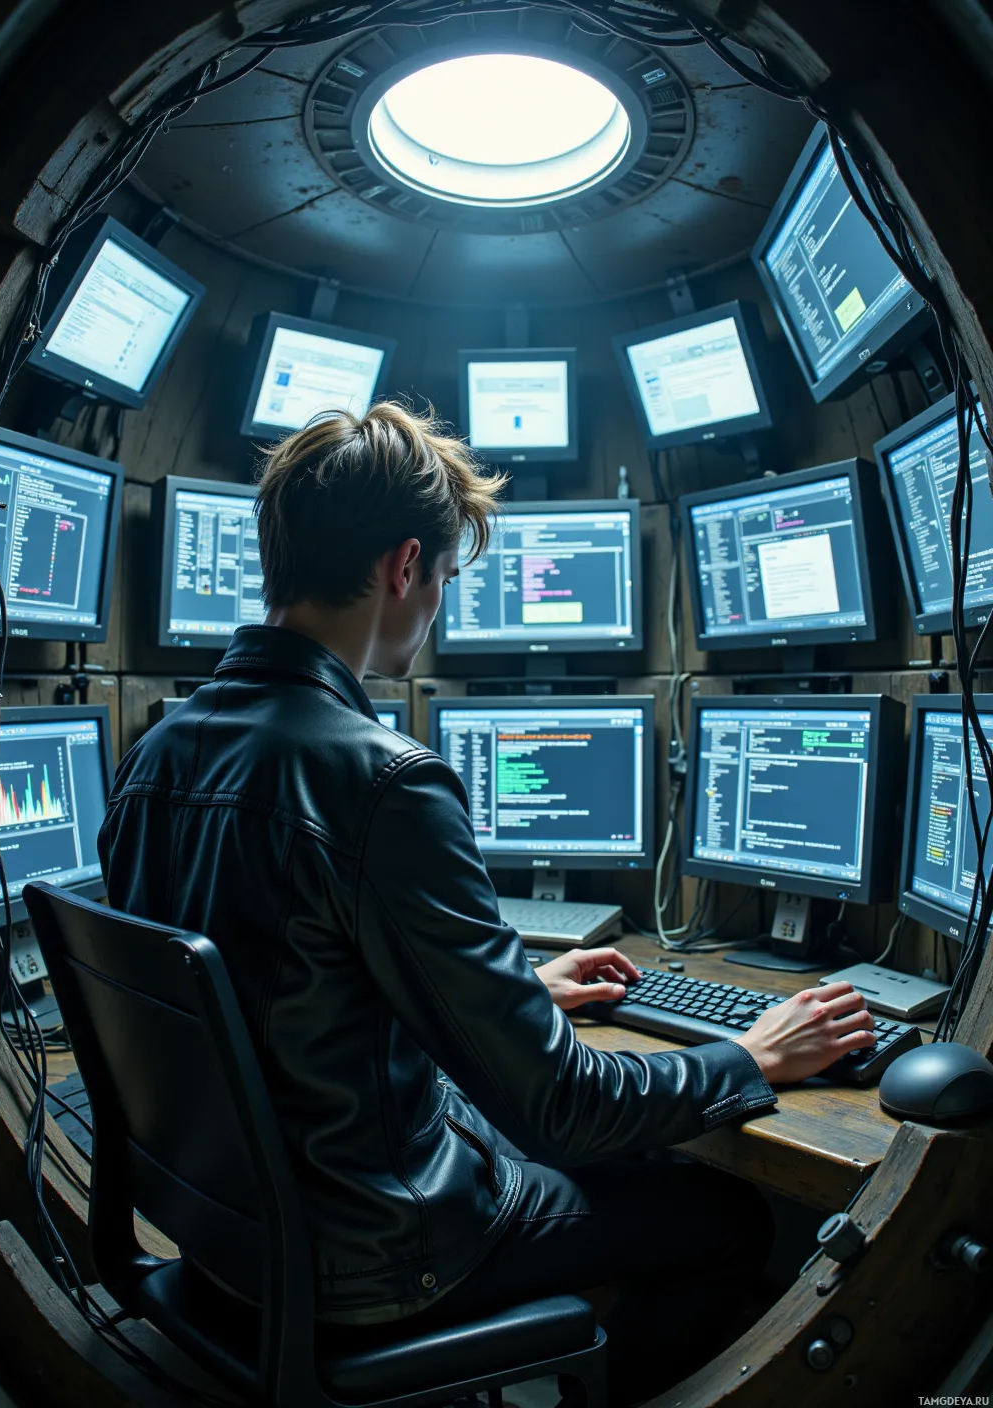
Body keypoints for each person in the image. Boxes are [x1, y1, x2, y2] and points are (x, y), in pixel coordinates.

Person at [99, 402, 876, 1404]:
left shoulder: (156, 754)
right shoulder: (384, 780)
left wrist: (512, 992)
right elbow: (563, 1110)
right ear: (404, 565)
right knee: (724, 1217)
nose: (438, 608)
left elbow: (273, 999)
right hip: (379, 1257)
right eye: (444, 581)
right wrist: (752, 1056)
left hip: (228, 1241)